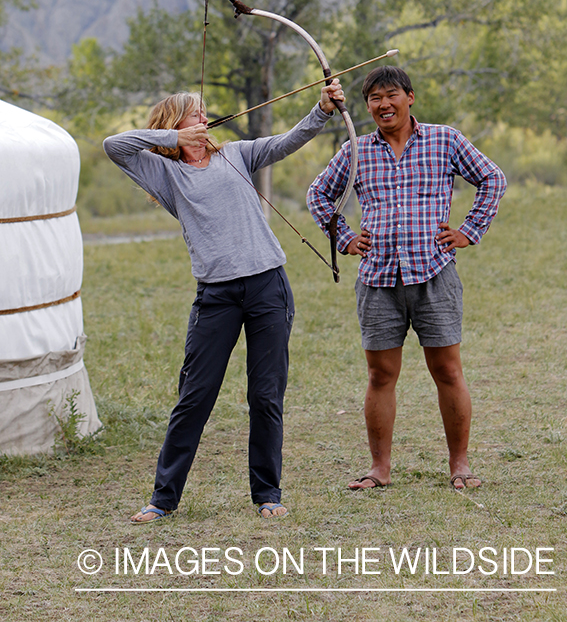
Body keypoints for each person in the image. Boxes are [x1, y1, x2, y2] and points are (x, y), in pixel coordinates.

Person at [103, 81, 345, 522]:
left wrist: (323, 109)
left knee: (266, 394)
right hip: (216, 296)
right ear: (174, 126)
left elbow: (287, 141)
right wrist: (171, 141)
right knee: (194, 396)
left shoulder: (236, 153)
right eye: (194, 114)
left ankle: (267, 494)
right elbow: (113, 145)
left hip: (267, 286)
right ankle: (163, 499)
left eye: (204, 113)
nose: (204, 119)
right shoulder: (165, 173)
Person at [307, 66, 506, 492]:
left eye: (391, 95)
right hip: (378, 279)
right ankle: (379, 469)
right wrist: (343, 237)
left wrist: (468, 232)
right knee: (380, 375)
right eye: (374, 99)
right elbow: (317, 194)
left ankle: (460, 466)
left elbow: (493, 178)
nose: (383, 104)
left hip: (435, 273)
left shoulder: (444, 140)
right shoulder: (355, 151)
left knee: (448, 371)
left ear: (409, 97)